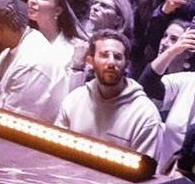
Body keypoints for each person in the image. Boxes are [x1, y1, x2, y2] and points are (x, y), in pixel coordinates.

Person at [60, 32, 167, 160]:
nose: (111, 62)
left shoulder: (145, 115)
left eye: (117, 57)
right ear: (90, 61)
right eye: (104, 55)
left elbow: (145, 175)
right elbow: (56, 154)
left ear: (126, 65)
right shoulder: (74, 100)